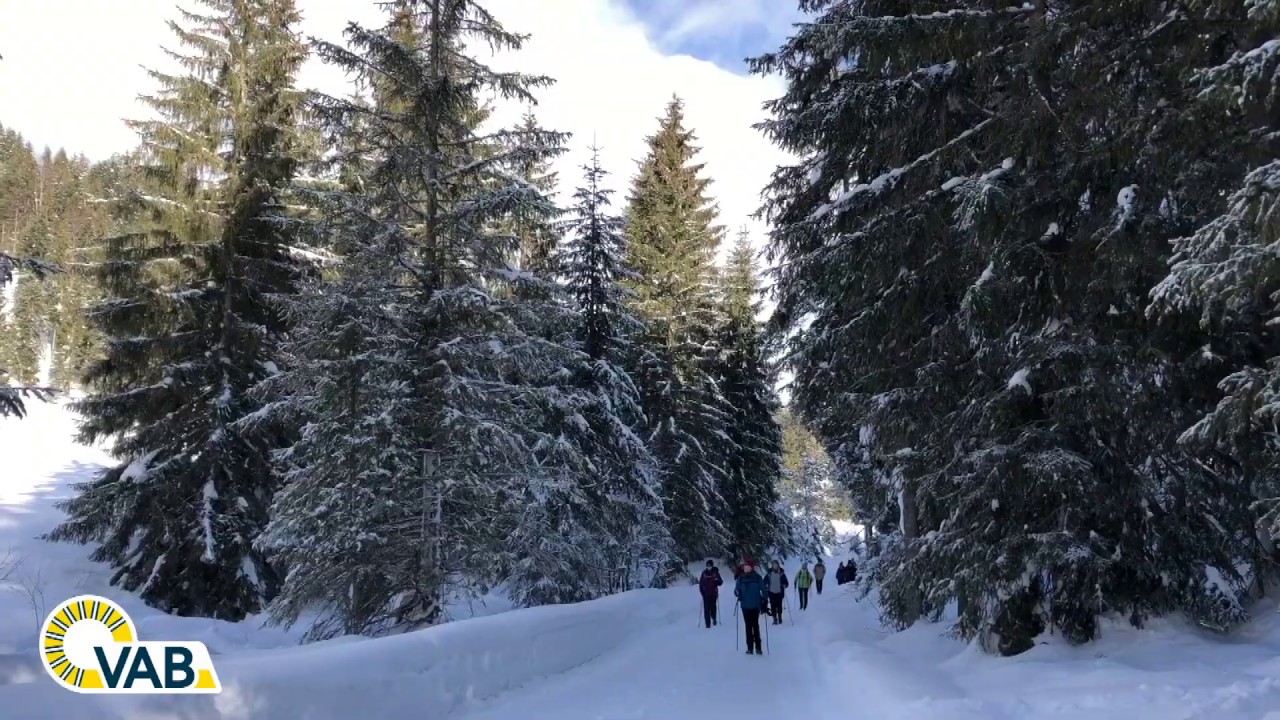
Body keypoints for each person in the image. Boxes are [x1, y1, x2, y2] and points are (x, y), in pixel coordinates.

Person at [734, 561, 767, 655]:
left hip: (755, 605)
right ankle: (749, 648)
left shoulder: (757, 577)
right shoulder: (740, 578)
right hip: (745, 606)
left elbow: (764, 589)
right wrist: (737, 592)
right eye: (744, 566)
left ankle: (758, 647)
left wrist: (764, 599)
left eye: (747, 566)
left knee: (755, 626)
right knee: (748, 626)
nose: (745, 568)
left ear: (751, 567)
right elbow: (736, 590)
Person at [698, 559, 723, 628]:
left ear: (712, 566)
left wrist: (716, 582)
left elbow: (721, 582)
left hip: (713, 594)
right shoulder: (704, 573)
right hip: (705, 594)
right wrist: (702, 592)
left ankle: (714, 618)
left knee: (713, 608)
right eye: (707, 566)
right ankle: (707, 624)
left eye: (710, 566)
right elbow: (700, 583)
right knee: (706, 609)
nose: (709, 567)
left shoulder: (715, 572)